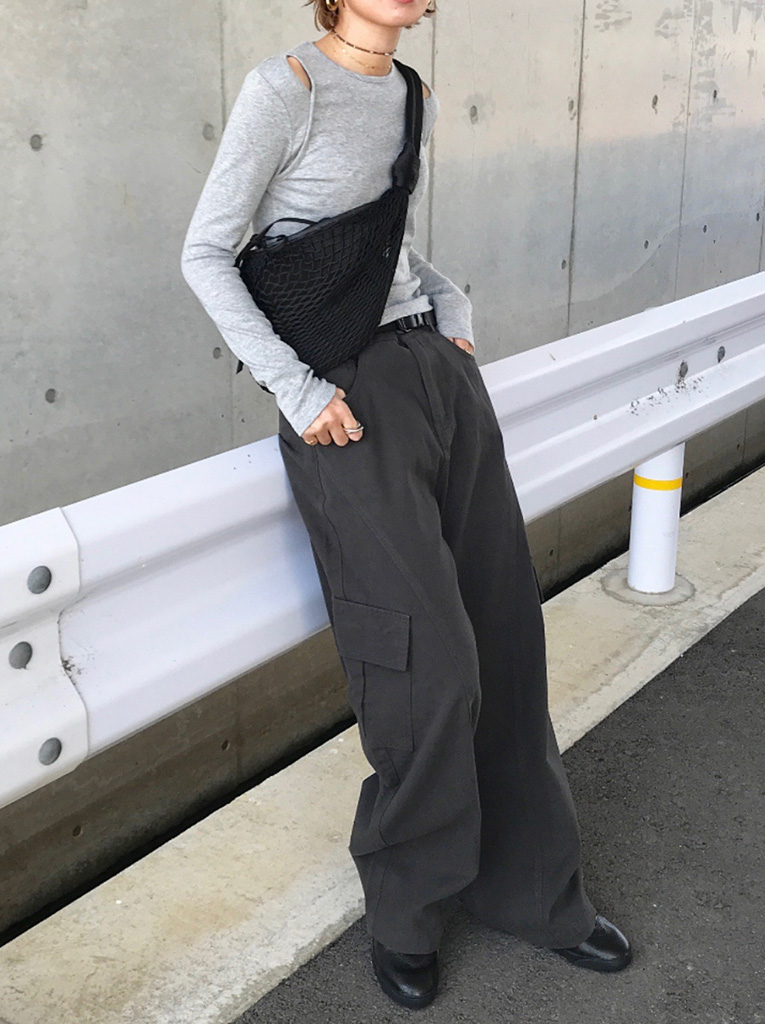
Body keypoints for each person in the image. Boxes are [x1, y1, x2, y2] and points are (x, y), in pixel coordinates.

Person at [180, 0, 632, 1010]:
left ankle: (536, 894)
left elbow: (388, 246)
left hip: (437, 375)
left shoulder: (407, 91)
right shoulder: (286, 89)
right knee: (427, 667)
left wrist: (453, 309)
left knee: (506, 641)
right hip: (346, 404)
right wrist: (298, 393)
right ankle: (409, 909)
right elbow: (205, 253)